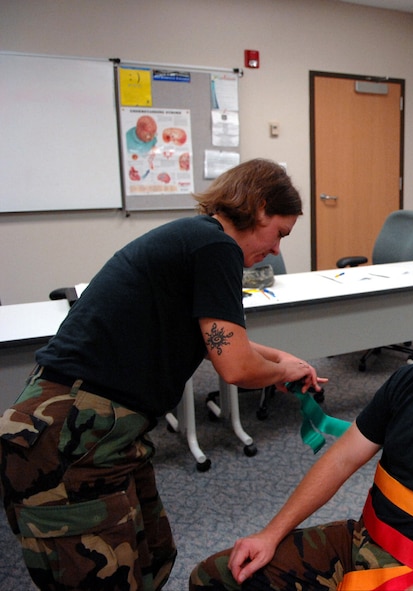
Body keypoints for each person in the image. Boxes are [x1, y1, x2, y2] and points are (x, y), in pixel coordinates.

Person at [0, 158, 324, 591]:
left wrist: (282, 361)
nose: (277, 249)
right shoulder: (216, 247)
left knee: (152, 556)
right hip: (68, 436)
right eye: (280, 233)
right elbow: (235, 364)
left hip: (101, 432)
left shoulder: (197, 240)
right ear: (260, 207)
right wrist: (279, 368)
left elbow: (219, 341)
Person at [189, 265, 413, 591]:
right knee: (213, 577)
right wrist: (270, 534)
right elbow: (341, 460)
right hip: (362, 539)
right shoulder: (408, 381)